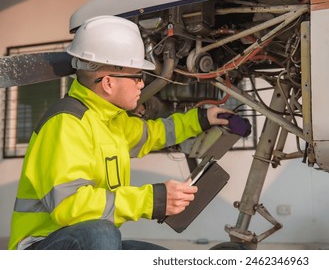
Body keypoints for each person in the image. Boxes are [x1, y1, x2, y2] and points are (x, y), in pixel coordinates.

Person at [8, 15, 232, 250]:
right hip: (39, 247)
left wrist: (202, 119)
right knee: (101, 232)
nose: (142, 85)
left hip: (86, 243)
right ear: (108, 83)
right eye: (138, 77)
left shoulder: (111, 121)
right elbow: (70, 207)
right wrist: (153, 200)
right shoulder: (66, 124)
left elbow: (154, 133)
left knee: (161, 258)